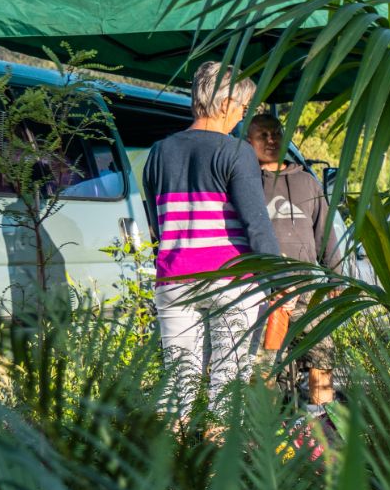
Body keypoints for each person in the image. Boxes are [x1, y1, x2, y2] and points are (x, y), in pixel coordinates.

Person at [145, 62, 281, 411]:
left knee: (178, 386)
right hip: (231, 278)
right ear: (224, 104)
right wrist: (279, 278)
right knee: (227, 386)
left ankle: (170, 461)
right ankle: (219, 462)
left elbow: (157, 223)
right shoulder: (235, 151)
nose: (240, 116)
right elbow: (257, 224)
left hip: (175, 278)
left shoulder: (159, 152)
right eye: (241, 107)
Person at [245, 112, 343, 405]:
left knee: (322, 356)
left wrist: (335, 276)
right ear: (248, 142)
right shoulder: (245, 183)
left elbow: (324, 233)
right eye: (262, 135)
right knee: (262, 369)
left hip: (307, 291)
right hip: (263, 293)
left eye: (276, 133)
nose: (271, 140)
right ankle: (267, 436)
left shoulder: (306, 182)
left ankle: (322, 425)